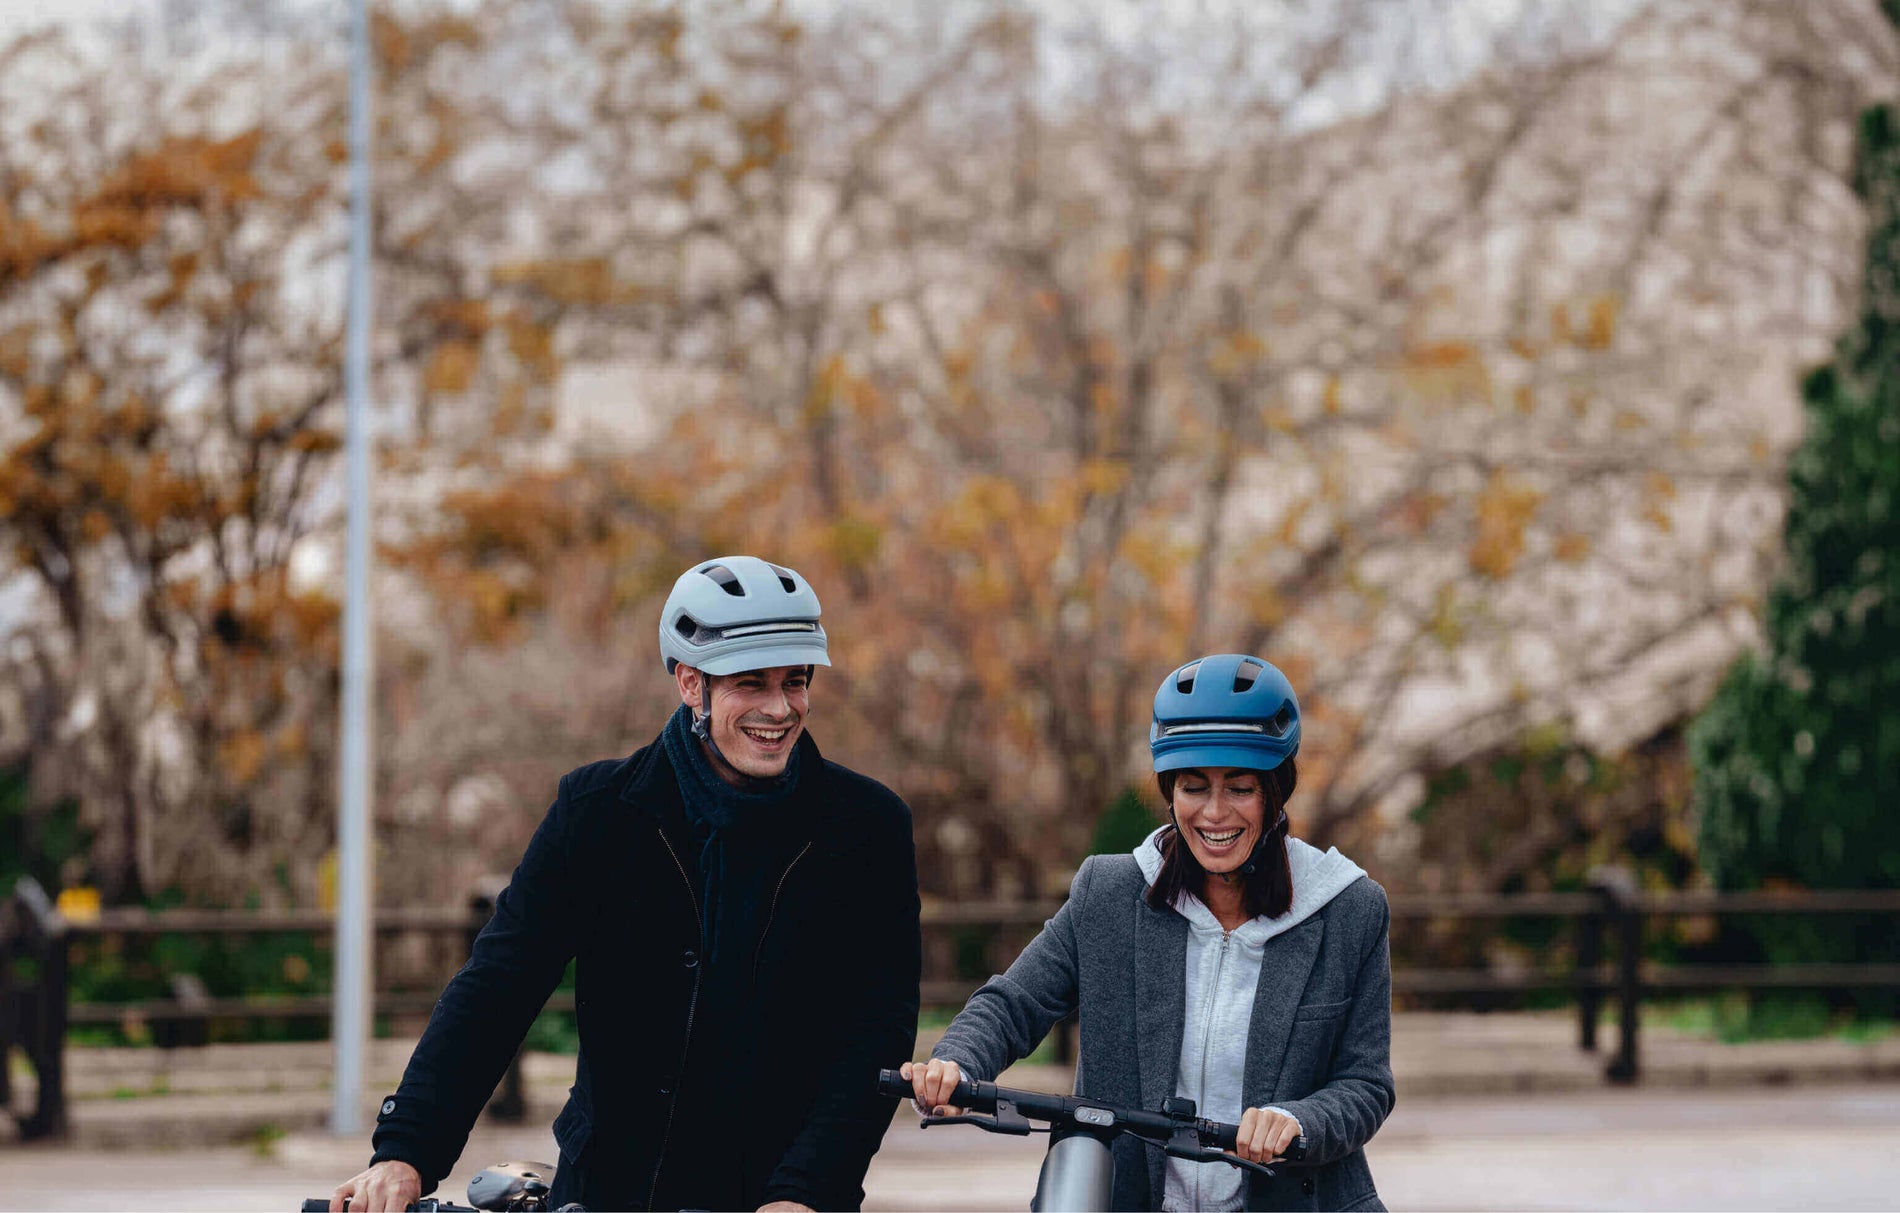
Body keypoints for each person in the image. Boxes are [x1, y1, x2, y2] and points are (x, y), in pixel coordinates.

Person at [332, 556, 921, 1213]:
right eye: (750, 683)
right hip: (611, 1188)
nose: (780, 708)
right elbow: (498, 984)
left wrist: (807, 1191)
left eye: (795, 681)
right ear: (690, 683)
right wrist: (406, 1148)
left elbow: (878, 1027)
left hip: (780, 1193)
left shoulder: (867, 828)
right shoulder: (599, 811)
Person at [906, 653, 1393, 1212]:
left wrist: (1296, 1121)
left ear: (1274, 792)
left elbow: (1365, 1084)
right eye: (1193, 787)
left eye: (1239, 788)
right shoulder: (1108, 893)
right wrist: (957, 1062)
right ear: (1169, 791)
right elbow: (1014, 1003)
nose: (1214, 813)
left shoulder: (1349, 908)